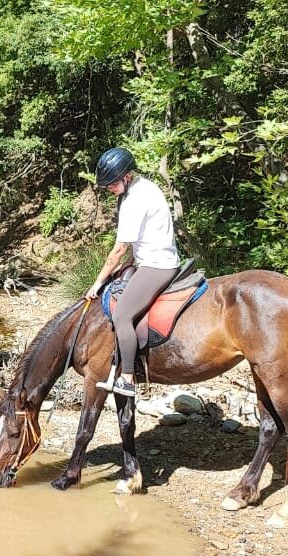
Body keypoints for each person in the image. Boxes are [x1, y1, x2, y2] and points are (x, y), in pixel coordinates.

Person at [83, 147, 179, 397]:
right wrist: (130, 262)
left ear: (127, 176)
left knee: (122, 315)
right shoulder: (145, 187)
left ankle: (127, 378)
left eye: (113, 184)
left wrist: (97, 282)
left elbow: (119, 248)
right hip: (151, 258)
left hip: (156, 264)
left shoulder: (135, 200)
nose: (109, 189)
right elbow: (143, 238)